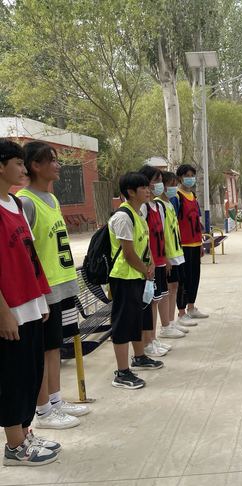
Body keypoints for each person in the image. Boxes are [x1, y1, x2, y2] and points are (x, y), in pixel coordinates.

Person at [18, 142, 89, 430]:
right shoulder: (25, 202)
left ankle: (56, 400)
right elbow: (24, 252)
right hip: (44, 290)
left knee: (54, 347)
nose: (58, 166)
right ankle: (43, 410)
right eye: (52, 161)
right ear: (35, 165)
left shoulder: (51, 199)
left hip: (62, 285)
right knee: (42, 349)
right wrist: (37, 291)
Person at [1, 139, 60, 466]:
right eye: (18, 163)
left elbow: (30, 256)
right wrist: (3, 313)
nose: (24, 169)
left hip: (31, 303)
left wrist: (41, 297)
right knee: (13, 377)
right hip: (11, 308)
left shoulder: (16, 204)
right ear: (1, 166)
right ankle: (13, 446)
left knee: (31, 372)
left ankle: (25, 433)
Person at [108, 172, 163, 390]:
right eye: (144, 188)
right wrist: (145, 270)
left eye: (148, 187)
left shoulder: (138, 213)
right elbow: (128, 253)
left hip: (138, 275)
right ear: (130, 192)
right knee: (123, 324)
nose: (149, 191)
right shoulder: (123, 217)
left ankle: (139, 357)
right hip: (124, 277)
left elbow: (143, 245)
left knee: (138, 319)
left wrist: (150, 265)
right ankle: (122, 372)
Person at [138, 165, 183, 357]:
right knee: (150, 302)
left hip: (159, 260)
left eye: (159, 181)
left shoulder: (158, 207)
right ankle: (147, 342)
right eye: (155, 181)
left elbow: (162, 235)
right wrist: (150, 262)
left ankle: (153, 339)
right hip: (149, 263)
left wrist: (165, 258)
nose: (158, 185)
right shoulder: (142, 208)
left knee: (156, 300)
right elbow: (143, 238)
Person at [172, 164, 208, 325]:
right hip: (183, 245)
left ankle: (191, 307)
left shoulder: (193, 196)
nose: (190, 178)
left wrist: (200, 243)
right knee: (183, 279)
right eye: (187, 175)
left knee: (194, 277)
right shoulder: (176, 197)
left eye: (192, 175)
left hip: (194, 244)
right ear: (180, 178)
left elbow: (197, 221)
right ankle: (181, 312)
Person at [156, 171, 189, 338]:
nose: (174, 188)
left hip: (176, 253)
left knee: (174, 286)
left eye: (175, 185)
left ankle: (171, 321)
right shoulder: (159, 205)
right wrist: (165, 256)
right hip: (168, 255)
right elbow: (160, 233)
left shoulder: (169, 203)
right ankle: (166, 325)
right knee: (168, 289)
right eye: (171, 185)